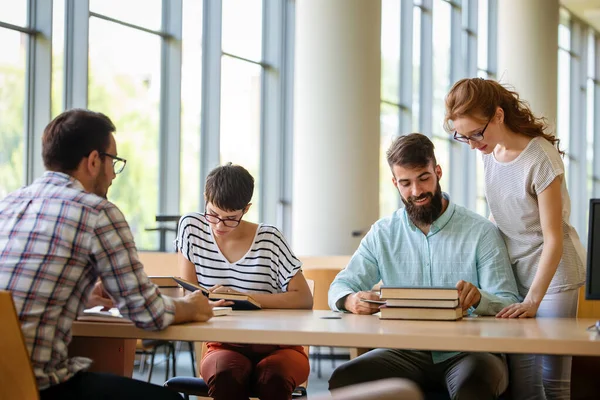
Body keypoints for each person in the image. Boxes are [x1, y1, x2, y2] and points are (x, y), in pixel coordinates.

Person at [0, 109, 224, 400]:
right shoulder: (95, 211)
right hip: (38, 386)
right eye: (113, 162)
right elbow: (148, 313)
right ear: (94, 161)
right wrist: (194, 306)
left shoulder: (9, 204)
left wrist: (80, 297)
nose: (113, 176)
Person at [327, 133, 520, 400]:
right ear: (395, 183)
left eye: (424, 178)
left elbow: (509, 302)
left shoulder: (481, 231)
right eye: (405, 183)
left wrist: (480, 298)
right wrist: (350, 300)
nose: (416, 191)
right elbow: (340, 285)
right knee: (345, 378)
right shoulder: (383, 233)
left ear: (437, 172)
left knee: (473, 389)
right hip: (405, 352)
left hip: (469, 352)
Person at [444, 78, 586, 400]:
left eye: (476, 133)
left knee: (552, 379)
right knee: (523, 379)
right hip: (514, 271)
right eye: (462, 137)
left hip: (552, 276)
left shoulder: (541, 157)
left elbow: (553, 238)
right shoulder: (488, 153)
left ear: (497, 115)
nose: (472, 144)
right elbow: (503, 215)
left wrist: (533, 300)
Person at [175, 163, 313, 400]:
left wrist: (243, 298)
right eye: (213, 214)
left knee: (272, 378)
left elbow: (304, 298)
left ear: (246, 209)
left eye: (230, 219)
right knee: (226, 375)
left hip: (280, 345)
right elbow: (189, 295)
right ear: (205, 198)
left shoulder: (269, 239)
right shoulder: (192, 228)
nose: (219, 225)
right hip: (223, 344)